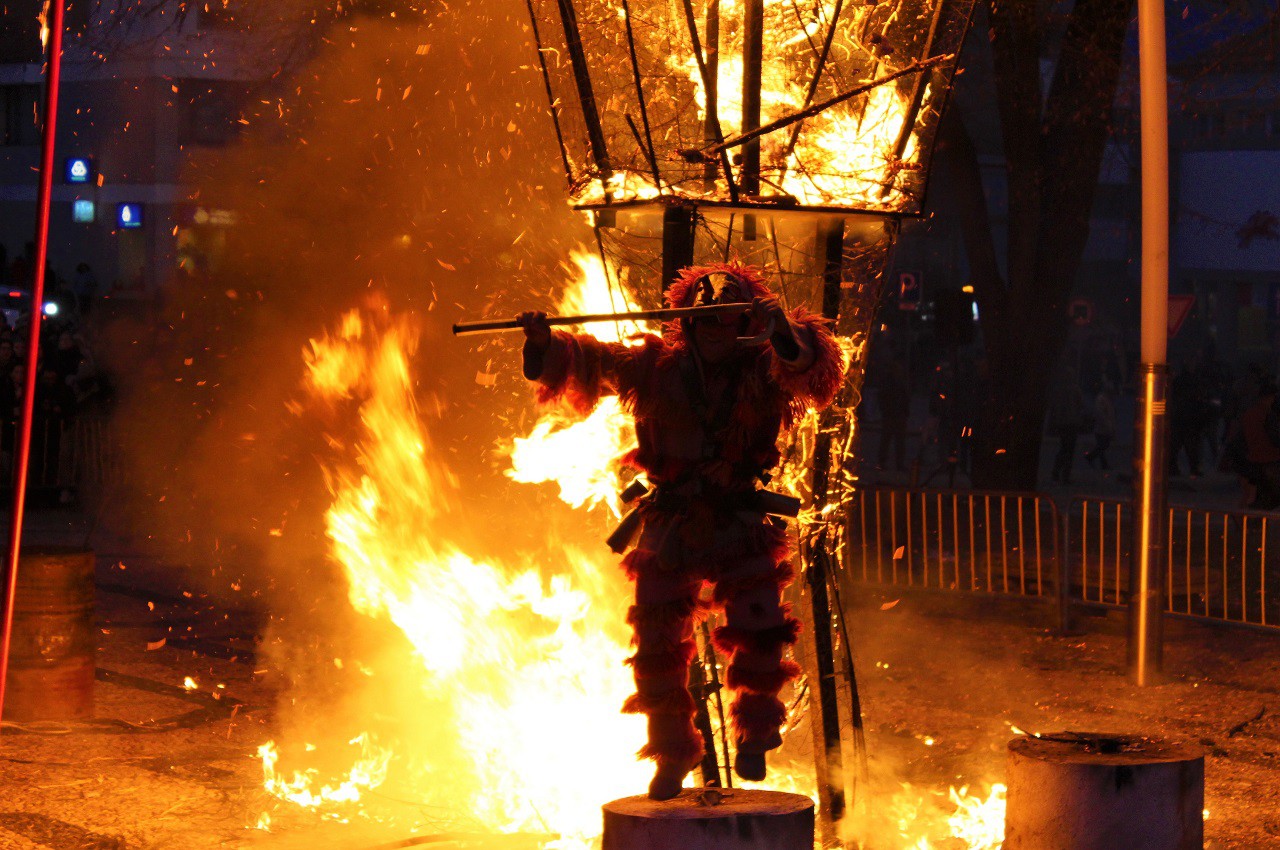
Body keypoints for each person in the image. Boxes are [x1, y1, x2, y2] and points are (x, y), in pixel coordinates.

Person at [517, 262, 843, 801]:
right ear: (688, 323)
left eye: (725, 321)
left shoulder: (764, 368)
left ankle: (757, 732)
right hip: (671, 524)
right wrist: (543, 343)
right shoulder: (652, 368)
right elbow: (587, 360)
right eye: (705, 321)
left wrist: (782, 331)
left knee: (761, 628)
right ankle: (672, 752)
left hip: (740, 521)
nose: (715, 332)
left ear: (742, 323)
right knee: (656, 648)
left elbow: (809, 367)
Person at [1047, 367, 1086, 485]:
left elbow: (1054, 407)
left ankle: (1056, 472)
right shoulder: (1075, 390)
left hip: (1063, 423)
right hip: (1072, 422)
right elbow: (1081, 405)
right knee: (1069, 450)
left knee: (1063, 448)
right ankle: (1065, 475)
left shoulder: (1059, 391)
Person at [1084, 379, 1116, 471]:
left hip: (1104, 427)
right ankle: (1092, 458)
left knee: (1102, 446)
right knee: (1102, 446)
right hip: (1102, 428)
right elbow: (1101, 414)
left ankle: (1103, 464)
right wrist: (1108, 425)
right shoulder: (1102, 399)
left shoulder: (1106, 399)